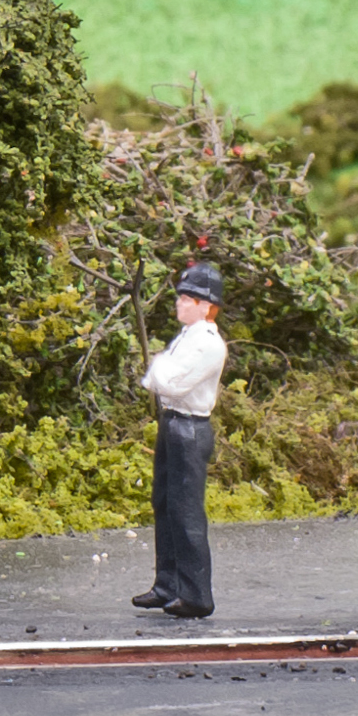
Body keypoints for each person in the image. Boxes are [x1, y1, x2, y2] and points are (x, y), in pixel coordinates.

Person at [132, 262, 226, 618]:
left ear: (206, 305)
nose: (180, 303)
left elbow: (168, 381)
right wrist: (159, 372)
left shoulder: (207, 344)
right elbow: (158, 373)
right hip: (172, 423)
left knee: (186, 512)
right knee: (165, 504)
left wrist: (159, 372)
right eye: (181, 297)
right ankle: (167, 584)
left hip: (190, 427)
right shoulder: (187, 337)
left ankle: (197, 594)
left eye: (188, 298)